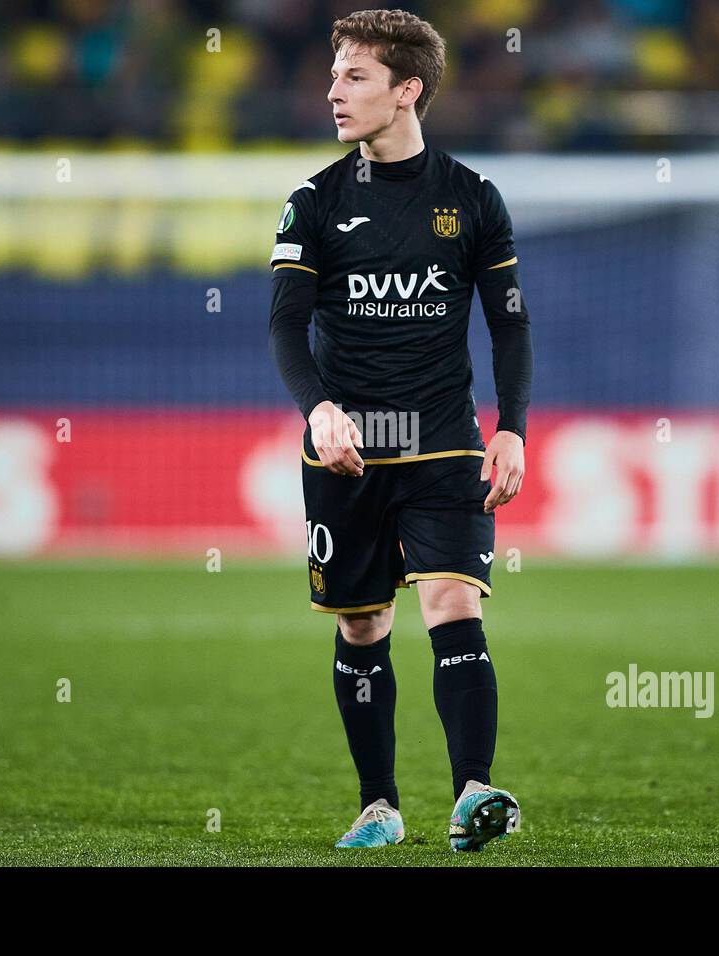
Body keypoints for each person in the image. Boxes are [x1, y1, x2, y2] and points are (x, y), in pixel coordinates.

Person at [267, 8, 533, 853]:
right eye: (335, 74)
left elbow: (510, 327)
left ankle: (473, 794)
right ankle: (378, 803)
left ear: (406, 89)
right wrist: (319, 410)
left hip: (447, 441)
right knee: (361, 625)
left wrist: (514, 428)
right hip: (347, 451)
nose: (334, 91)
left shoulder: (472, 199)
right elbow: (284, 326)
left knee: (453, 603)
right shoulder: (314, 200)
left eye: (355, 76)